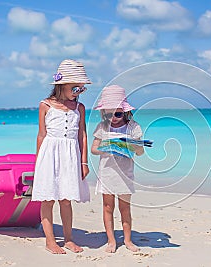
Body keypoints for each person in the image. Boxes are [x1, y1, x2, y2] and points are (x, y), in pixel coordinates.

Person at [32, 59, 91, 254]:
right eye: (76, 88)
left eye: (82, 89)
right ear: (61, 85)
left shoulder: (79, 108)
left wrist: (84, 161)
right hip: (50, 155)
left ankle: (68, 239)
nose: (79, 92)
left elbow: (82, 134)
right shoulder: (45, 105)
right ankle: (50, 241)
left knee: (66, 199)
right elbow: (41, 135)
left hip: (70, 156)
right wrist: (38, 162)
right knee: (47, 199)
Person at [91, 85, 144, 253]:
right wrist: (107, 148)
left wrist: (134, 145)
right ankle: (111, 240)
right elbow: (93, 149)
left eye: (118, 113)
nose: (114, 117)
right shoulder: (102, 127)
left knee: (125, 207)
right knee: (108, 207)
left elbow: (141, 152)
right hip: (107, 172)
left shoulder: (133, 127)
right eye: (109, 114)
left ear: (125, 111)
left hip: (125, 173)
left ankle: (128, 240)